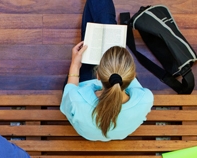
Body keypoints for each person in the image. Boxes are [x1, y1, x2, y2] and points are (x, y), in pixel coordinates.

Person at [60, 0, 154, 141]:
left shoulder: (76, 99)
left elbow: (68, 99)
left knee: (100, 28)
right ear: (132, 75)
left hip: (81, 85)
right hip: (114, 131)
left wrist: (75, 64)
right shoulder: (145, 99)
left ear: (97, 75)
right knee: (105, 23)